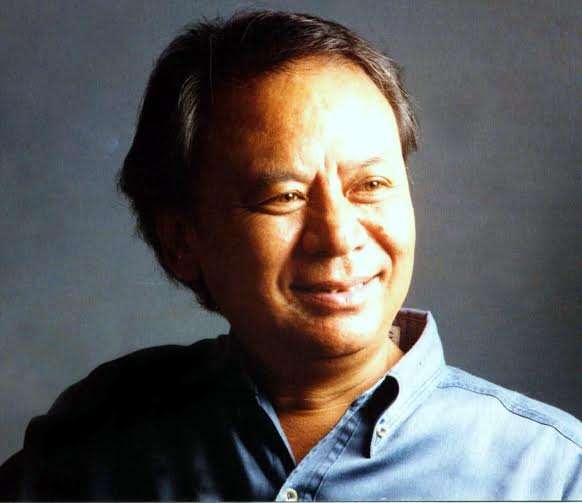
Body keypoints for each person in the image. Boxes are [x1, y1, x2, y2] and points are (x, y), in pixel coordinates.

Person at [0, 10, 580, 501]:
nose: (339, 236)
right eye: (285, 196)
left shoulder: (551, 476)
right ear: (181, 241)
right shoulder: (95, 439)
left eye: (371, 185)